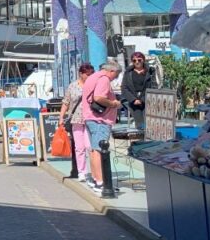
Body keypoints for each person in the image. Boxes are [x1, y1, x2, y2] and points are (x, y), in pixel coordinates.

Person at [82, 61, 123, 193]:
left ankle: (96, 179)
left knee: (94, 150)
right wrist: (113, 103)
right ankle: (101, 182)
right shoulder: (104, 79)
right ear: (111, 71)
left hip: (90, 117)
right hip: (100, 119)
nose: (116, 77)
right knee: (100, 150)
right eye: (117, 74)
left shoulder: (93, 77)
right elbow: (99, 97)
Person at [59, 63, 95, 182]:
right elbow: (66, 102)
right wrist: (61, 117)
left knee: (90, 146)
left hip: (90, 118)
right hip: (76, 119)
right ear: (81, 74)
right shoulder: (72, 86)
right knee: (79, 147)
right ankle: (82, 172)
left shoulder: (94, 85)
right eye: (87, 74)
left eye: (91, 74)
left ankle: (95, 172)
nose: (89, 76)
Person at [121, 53, 155, 129]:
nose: (137, 62)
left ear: (143, 60)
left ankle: (149, 140)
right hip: (134, 101)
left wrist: (143, 99)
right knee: (139, 123)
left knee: (149, 122)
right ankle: (141, 139)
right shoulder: (128, 72)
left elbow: (153, 87)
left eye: (139, 60)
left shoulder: (150, 71)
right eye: (134, 60)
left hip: (148, 99)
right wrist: (133, 99)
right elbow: (124, 88)